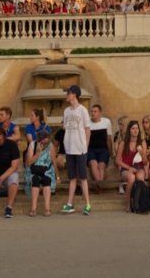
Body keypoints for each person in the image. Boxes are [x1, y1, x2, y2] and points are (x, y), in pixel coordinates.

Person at [59, 85, 91, 214]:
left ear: (74, 94)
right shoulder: (66, 111)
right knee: (72, 177)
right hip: (69, 148)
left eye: (68, 93)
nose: (66, 95)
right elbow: (65, 127)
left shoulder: (83, 110)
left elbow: (88, 130)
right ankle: (69, 203)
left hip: (80, 148)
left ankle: (88, 204)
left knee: (83, 177)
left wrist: (85, 146)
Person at [86, 104, 113, 193]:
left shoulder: (106, 122)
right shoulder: (87, 123)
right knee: (93, 164)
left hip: (103, 149)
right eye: (92, 111)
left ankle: (98, 184)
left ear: (100, 113)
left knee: (101, 166)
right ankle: (99, 184)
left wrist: (111, 153)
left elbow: (109, 139)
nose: (93, 113)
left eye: (95, 111)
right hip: (91, 149)